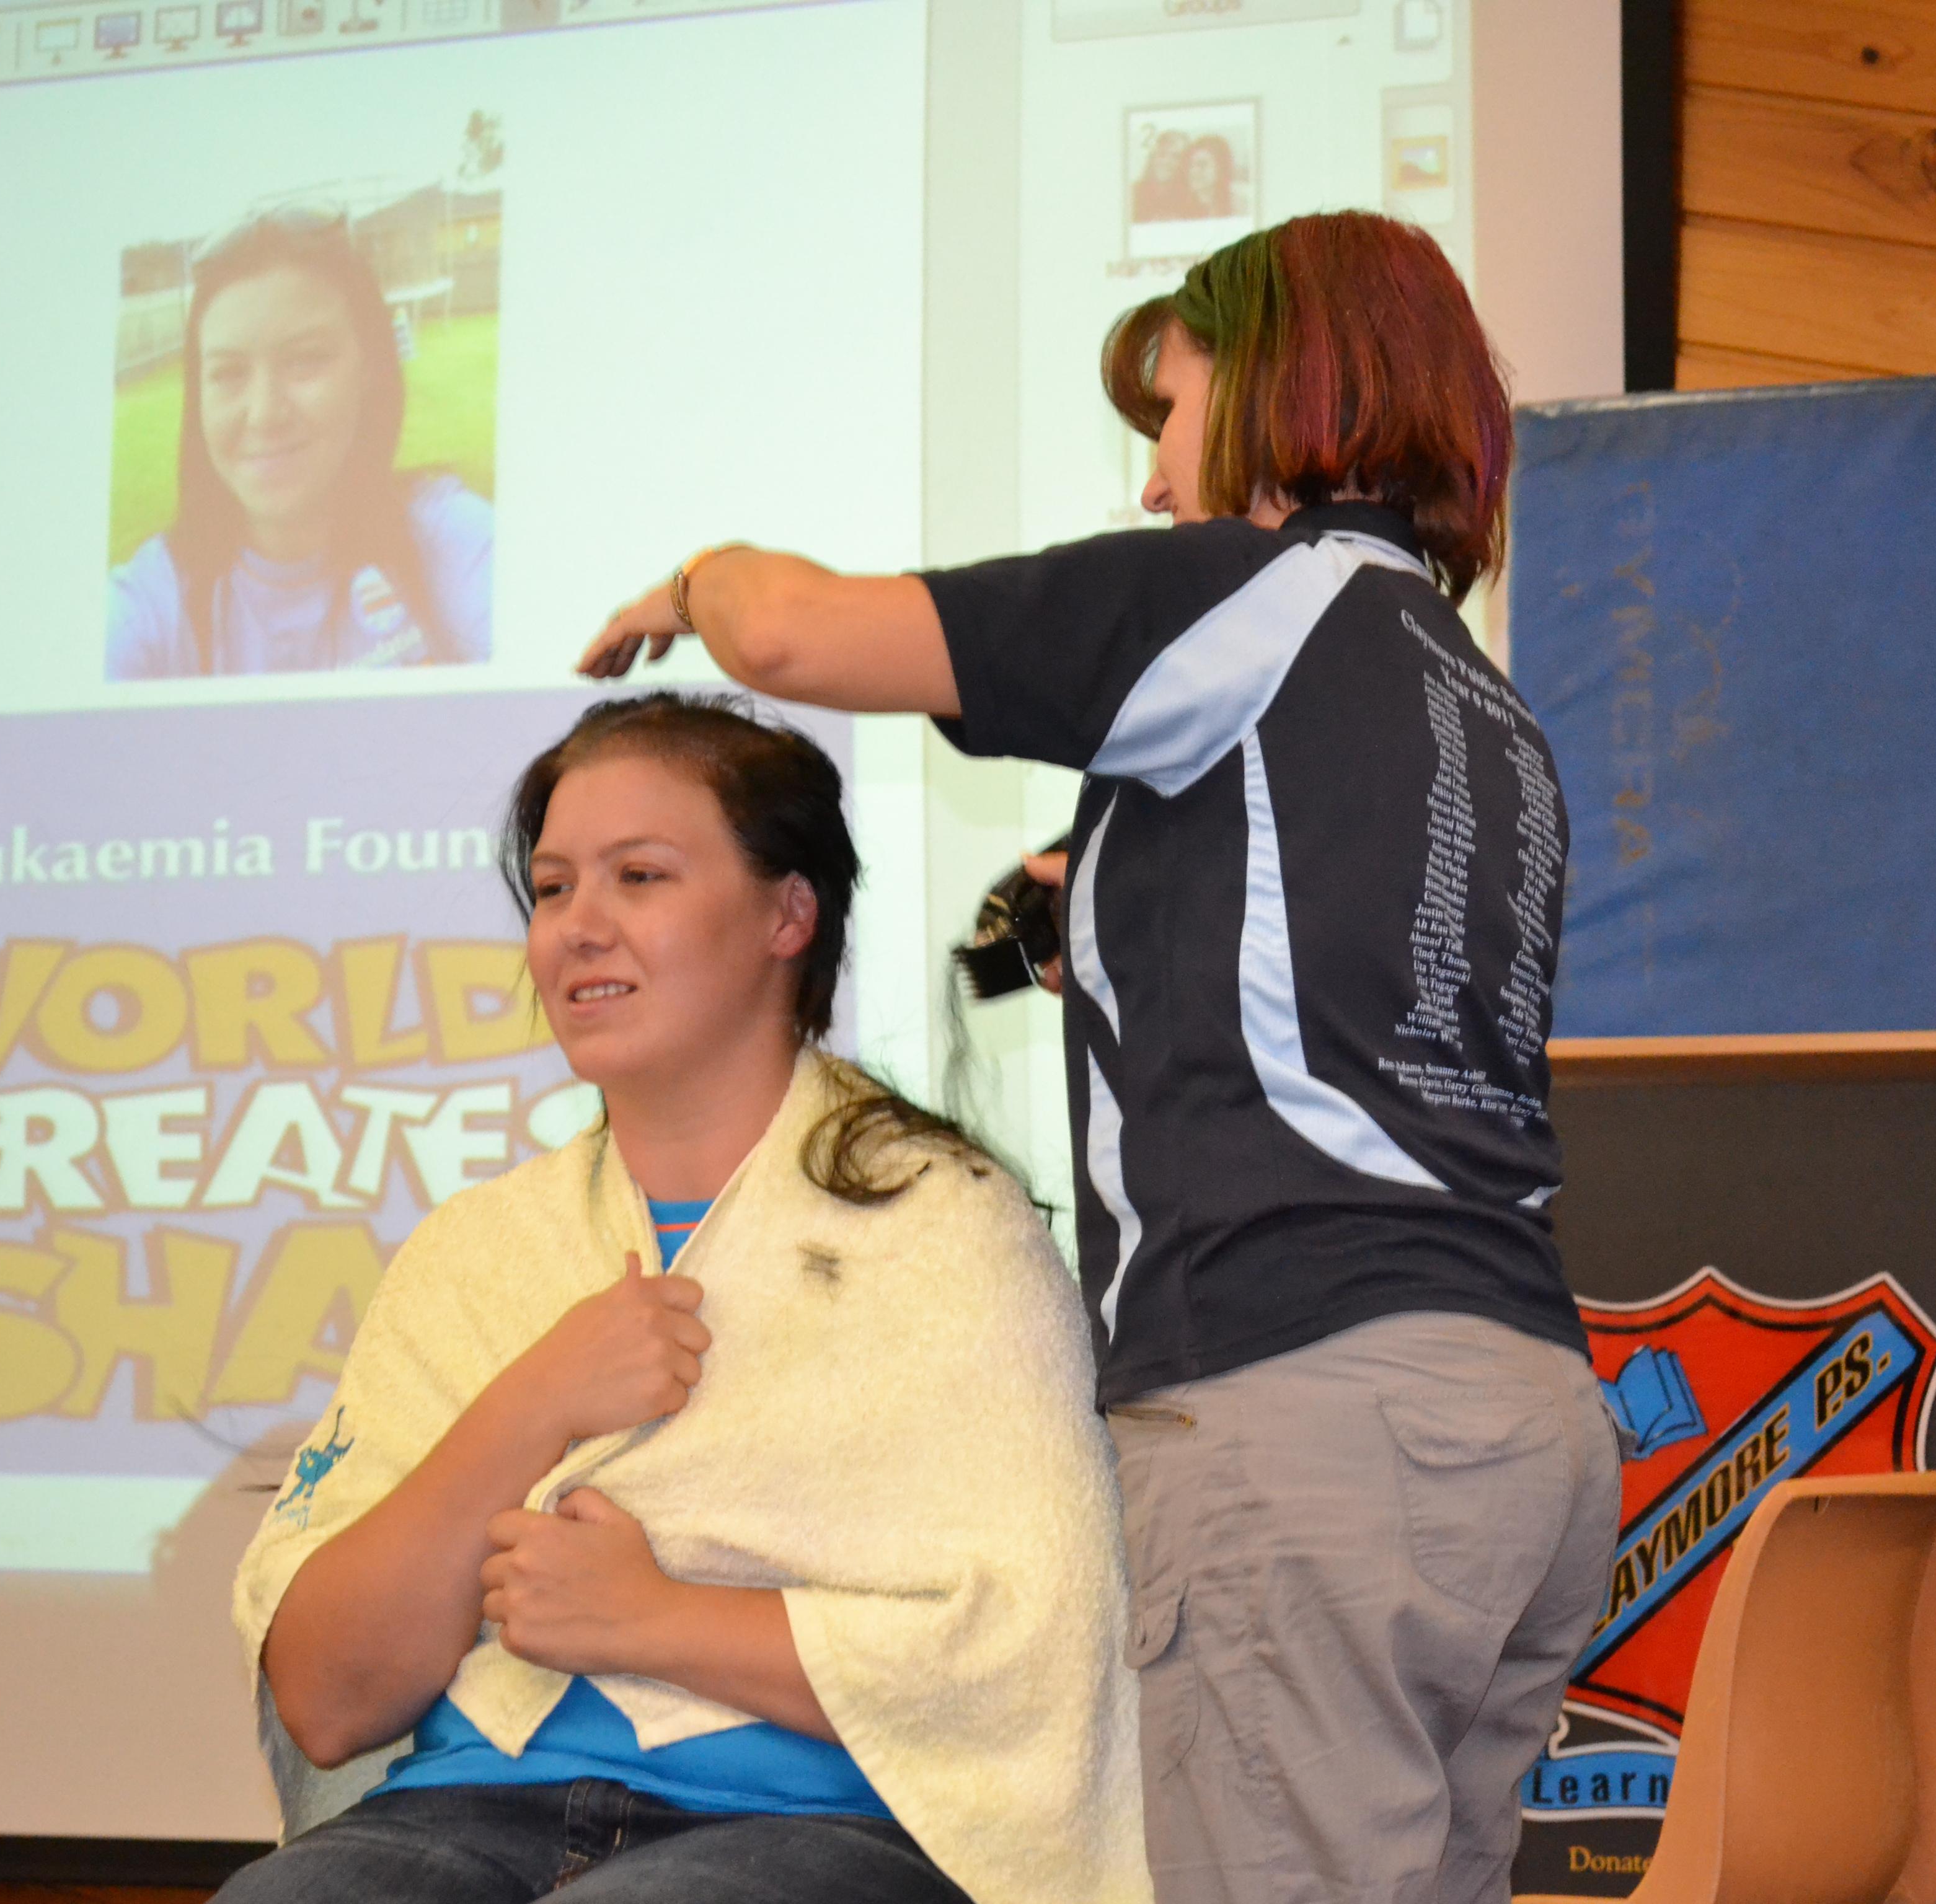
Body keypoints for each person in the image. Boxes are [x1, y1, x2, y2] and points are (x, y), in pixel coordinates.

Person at [580, 210, 1621, 1904]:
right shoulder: (1476, 697)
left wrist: (698, 585)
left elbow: (791, 638)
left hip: (1312, 1418)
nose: (1153, 485)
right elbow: (1347, 994)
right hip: (1515, 1414)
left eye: (1173, 413)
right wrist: (1112, 920)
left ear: (1288, 388)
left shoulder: (1250, 597)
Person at [222, 695, 1147, 1904]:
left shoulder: (940, 1223)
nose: (578, 930)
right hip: (462, 1810)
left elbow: (1033, 1649)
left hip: (828, 1829)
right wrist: (537, 1398)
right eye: (552, 889)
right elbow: (328, 1697)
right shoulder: (477, 1251)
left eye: (638, 877)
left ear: (786, 914)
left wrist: (649, 1619)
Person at [108, 209, 493, 679]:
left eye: (305, 361)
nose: (265, 414)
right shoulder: (154, 602)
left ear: (368, 370)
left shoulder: (445, 539)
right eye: (229, 373)